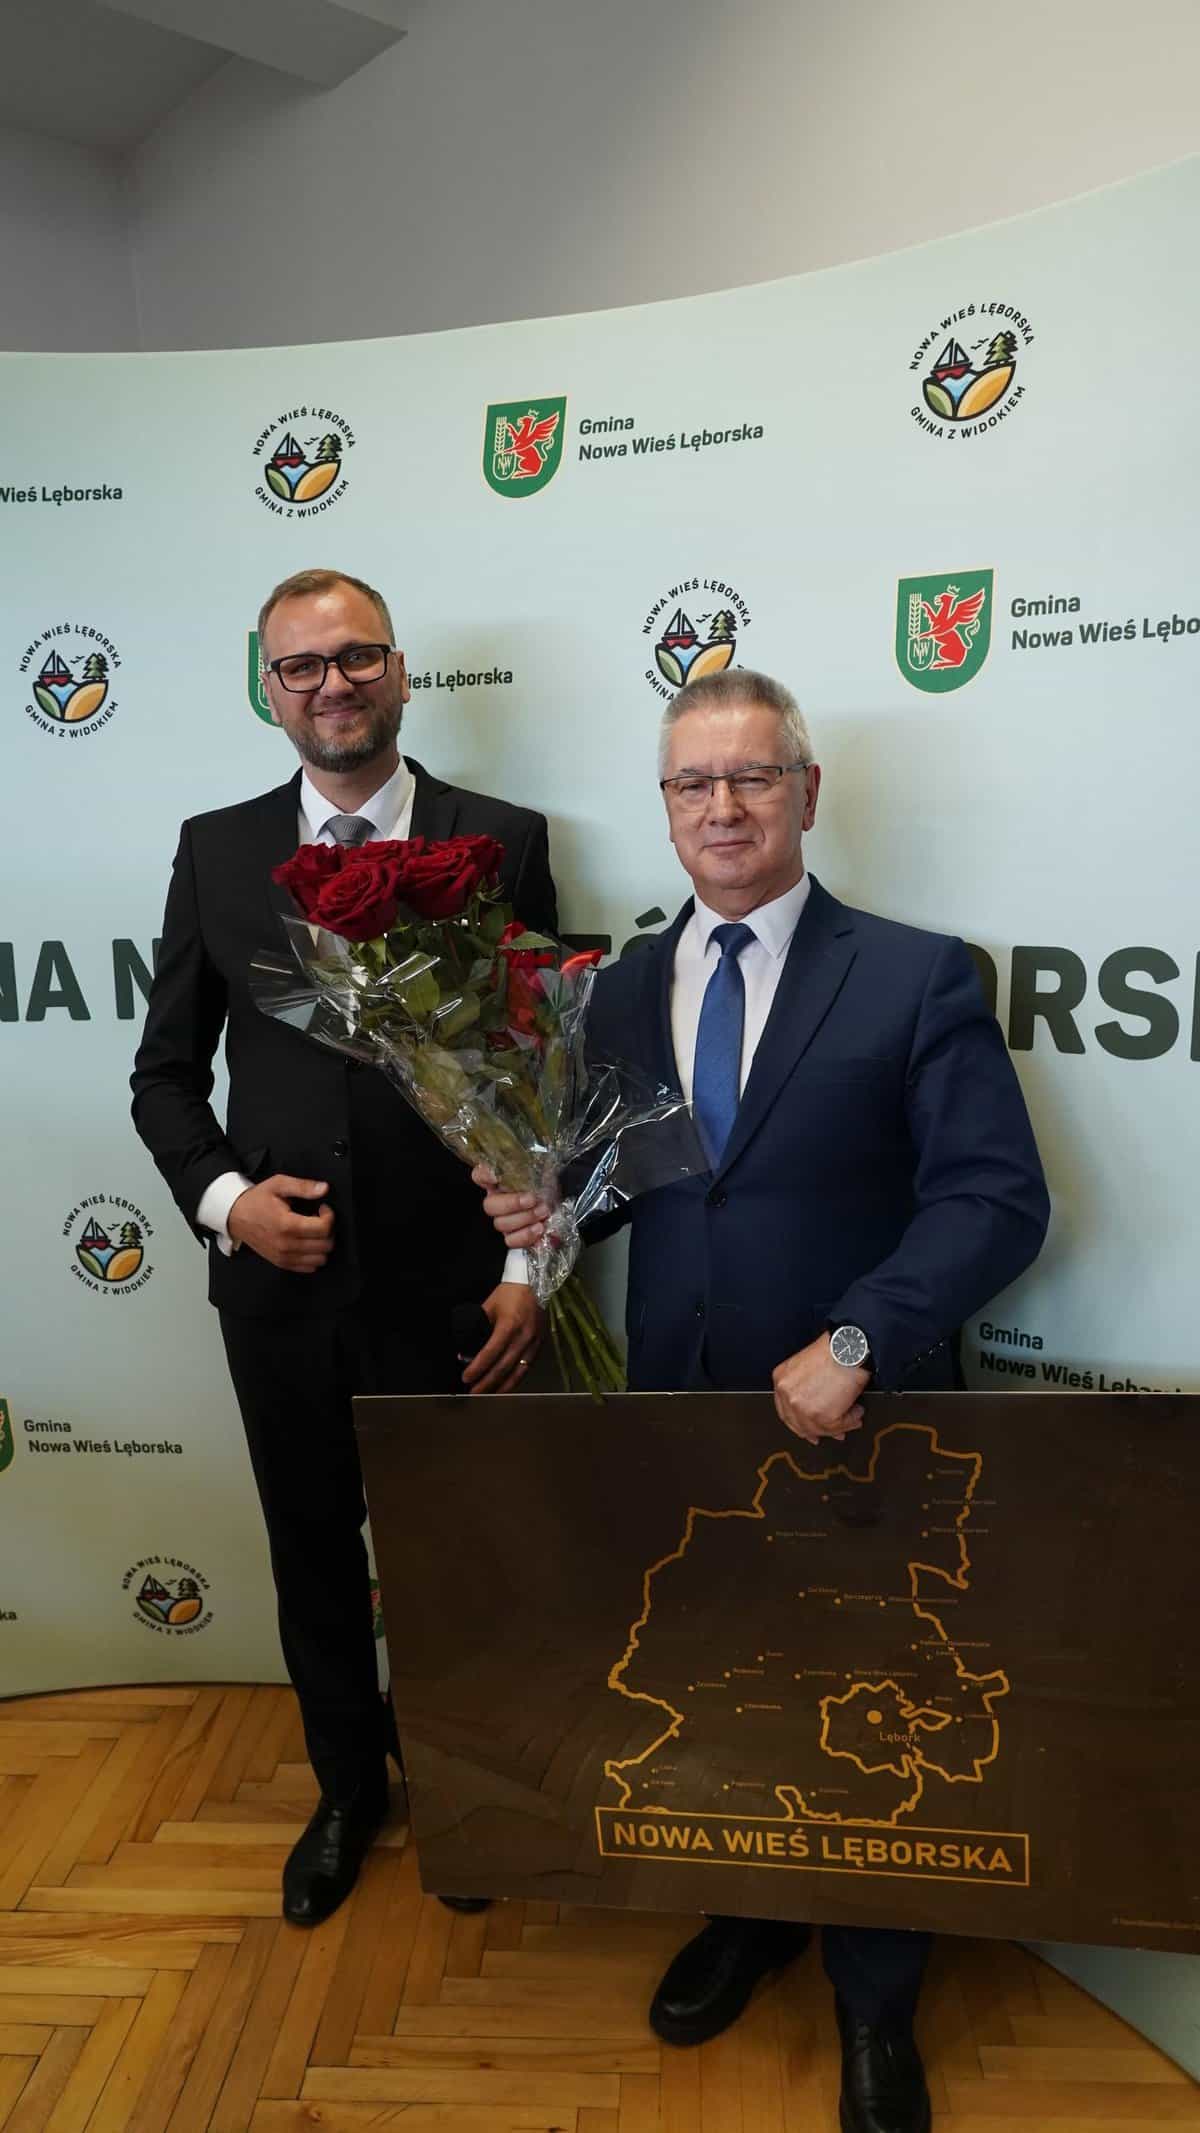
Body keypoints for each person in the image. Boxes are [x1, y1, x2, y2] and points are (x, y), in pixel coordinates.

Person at [475, 669, 1049, 2133]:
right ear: (665, 807)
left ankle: (875, 2000)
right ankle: (744, 1915)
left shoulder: (917, 974)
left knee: (872, 1709)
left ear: (806, 792)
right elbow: (627, 1182)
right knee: (718, 1686)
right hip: (683, 1419)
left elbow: (994, 1200)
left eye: (750, 777)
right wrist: (545, 1215)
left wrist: (862, 1335)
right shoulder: (617, 989)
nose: (721, 807)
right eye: (692, 783)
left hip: (859, 1425)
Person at [131, 567, 557, 1927]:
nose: (334, 684)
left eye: (358, 656)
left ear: (401, 670)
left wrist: (526, 1273)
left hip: (455, 1296)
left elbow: (540, 1078)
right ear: (270, 687)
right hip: (282, 1289)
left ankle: (468, 1787)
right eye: (303, 665)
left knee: (463, 1561)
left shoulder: (502, 839)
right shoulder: (216, 850)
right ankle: (344, 1789)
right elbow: (163, 1075)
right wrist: (227, 1203)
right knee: (313, 1551)